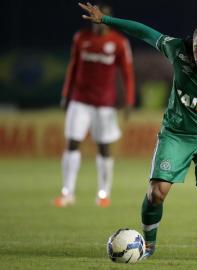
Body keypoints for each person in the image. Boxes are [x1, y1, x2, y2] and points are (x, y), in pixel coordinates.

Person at [79, 2, 197, 261]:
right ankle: (148, 246)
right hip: (175, 134)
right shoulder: (178, 50)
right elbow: (146, 32)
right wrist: (107, 21)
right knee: (156, 192)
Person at [53, 3, 135, 208]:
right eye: (94, 17)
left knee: (104, 147)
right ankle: (67, 192)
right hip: (79, 100)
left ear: (108, 18)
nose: (98, 21)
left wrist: (129, 101)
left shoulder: (119, 41)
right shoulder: (81, 38)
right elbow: (73, 67)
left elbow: (127, 73)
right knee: (72, 143)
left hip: (105, 104)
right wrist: (65, 93)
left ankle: (103, 193)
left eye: (102, 17)